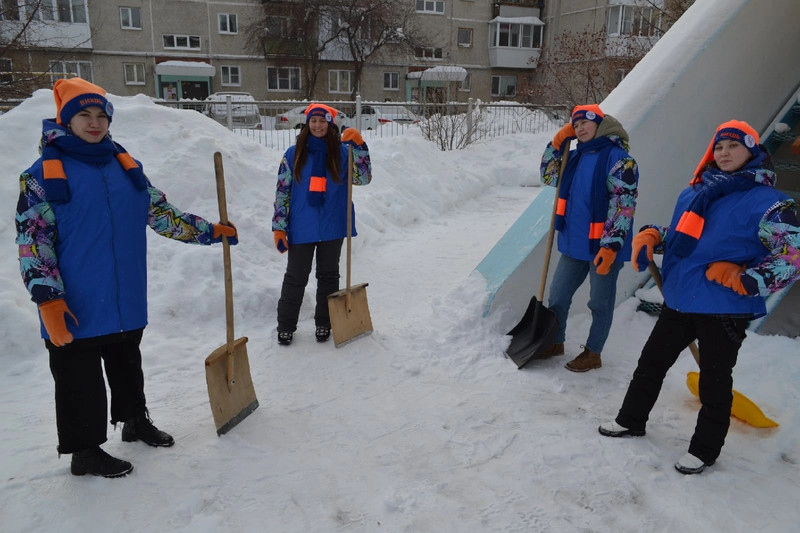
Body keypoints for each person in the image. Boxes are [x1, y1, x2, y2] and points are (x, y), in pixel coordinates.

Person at [15, 77, 239, 478]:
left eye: (101, 114)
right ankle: (85, 451)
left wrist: (209, 231)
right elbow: (33, 243)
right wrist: (47, 298)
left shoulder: (125, 165)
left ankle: (134, 421)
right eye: (84, 114)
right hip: (74, 299)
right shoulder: (41, 175)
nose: (95, 122)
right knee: (78, 377)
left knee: (126, 363)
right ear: (66, 120)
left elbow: (160, 214)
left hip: (123, 293)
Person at [599, 120, 800, 474]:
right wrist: (652, 236)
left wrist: (749, 279)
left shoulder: (770, 203)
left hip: (723, 307)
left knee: (714, 382)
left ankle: (704, 450)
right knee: (650, 365)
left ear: (752, 151)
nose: (724, 153)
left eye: (733, 147)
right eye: (719, 147)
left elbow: (792, 256)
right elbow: (682, 237)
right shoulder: (695, 192)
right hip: (680, 297)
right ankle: (631, 420)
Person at [538, 104, 639, 371]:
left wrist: (612, 244)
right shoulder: (574, 157)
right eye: (576, 124)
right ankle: (555, 341)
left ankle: (594, 352)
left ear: (600, 124)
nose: (580, 128)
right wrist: (556, 144)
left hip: (604, 248)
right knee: (558, 296)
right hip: (574, 244)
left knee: (599, 303)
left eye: (586, 122)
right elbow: (548, 176)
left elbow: (623, 206)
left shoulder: (619, 159)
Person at [272, 103, 372, 345]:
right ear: (308, 123)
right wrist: (279, 227)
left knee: (328, 276)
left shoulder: (343, 152)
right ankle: (285, 326)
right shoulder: (293, 154)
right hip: (301, 225)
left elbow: (363, 178)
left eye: (323, 121)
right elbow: (283, 192)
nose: (318, 126)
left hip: (333, 224)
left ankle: (324, 323)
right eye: (314, 121)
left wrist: (360, 147)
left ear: (331, 124)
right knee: (296, 276)